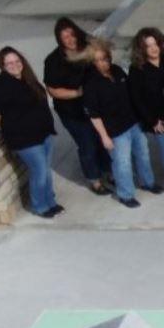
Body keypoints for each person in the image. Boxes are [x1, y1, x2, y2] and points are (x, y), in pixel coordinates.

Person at [0, 46, 61, 219]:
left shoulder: (28, 78)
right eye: (9, 63)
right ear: (2, 66)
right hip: (26, 140)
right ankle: (40, 206)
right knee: (40, 172)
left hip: (44, 134)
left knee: (46, 171)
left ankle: (51, 201)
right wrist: (11, 129)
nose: (14, 65)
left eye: (17, 61)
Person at [43, 17, 110, 196]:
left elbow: (105, 63)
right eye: (65, 37)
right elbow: (53, 90)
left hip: (96, 108)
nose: (70, 39)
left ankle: (107, 171)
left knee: (101, 140)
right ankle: (94, 179)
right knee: (87, 144)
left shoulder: (89, 48)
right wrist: (78, 93)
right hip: (73, 113)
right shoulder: (53, 61)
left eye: (72, 34)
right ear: (59, 39)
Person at [81, 40, 147, 209]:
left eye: (104, 59)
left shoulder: (117, 70)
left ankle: (147, 182)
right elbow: (94, 115)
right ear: (92, 62)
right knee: (122, 163)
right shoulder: (91, 84)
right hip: (115, 131)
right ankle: (126, 195)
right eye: (97, 60)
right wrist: (104, 137)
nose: (102, 63)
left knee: (143, 154)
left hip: (133, 123)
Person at [128, 27, 164, 200]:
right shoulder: (137, 69)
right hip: (159, 120)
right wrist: (153, 121)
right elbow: (137, 99)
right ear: (141, 49)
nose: (153, 49)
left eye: (155, 44)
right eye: (148, 46)